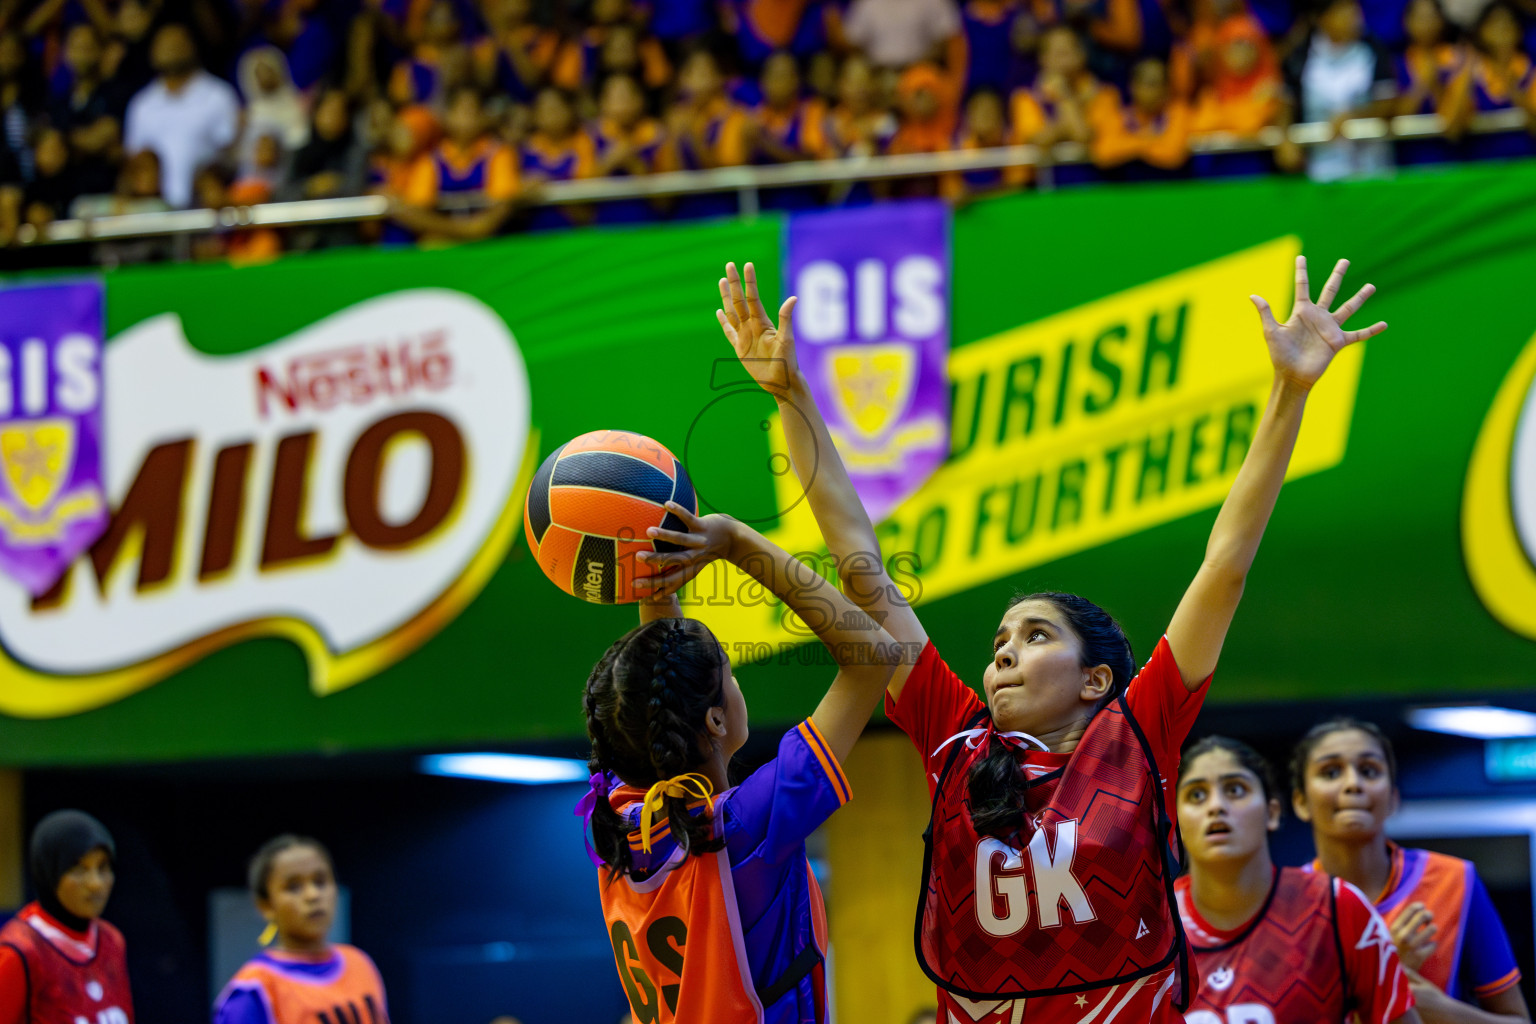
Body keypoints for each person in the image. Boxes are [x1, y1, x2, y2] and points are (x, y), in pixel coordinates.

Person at [713, 254, 1387, 1024]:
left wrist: (1288, 391)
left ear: (1095, 680)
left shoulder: (1138, 734)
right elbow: (861, 561)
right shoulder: (953, 738)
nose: (1002, 652)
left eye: (1035, 637)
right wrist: (791, 394)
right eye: (1001, 639)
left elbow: (1225, 566)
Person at [580, 492, 903, 1021]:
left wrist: (658, 574)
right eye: (731, 674)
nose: (737, 682)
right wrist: (737, 541)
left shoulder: (618, 818)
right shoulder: (747, 823)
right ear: (716, 720)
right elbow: (874, 656)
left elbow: (651, 701)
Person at [1293, 718, 1531, 1024]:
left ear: (1393, 798)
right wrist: (1384, 973)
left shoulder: (1456, 880)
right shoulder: (1285, 903)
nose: (1353, 784)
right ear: (1300, 801)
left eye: (1369, 771)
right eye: (1331, 772)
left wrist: (1444, 1011)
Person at [1176, 736, 1420, 1024]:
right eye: (1196, 795)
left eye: (1235, 790)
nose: (1216, 806)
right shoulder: (1154, 926)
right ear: (1174, 818)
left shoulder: (1337, 906)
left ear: (1273, 812)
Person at [213, 835, 388, 1024]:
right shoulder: (254, 992)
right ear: (266, 905)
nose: (313, 895)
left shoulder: (360, 964)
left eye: (320, 882)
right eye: (294, 887)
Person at [0, 810, 133, 1024]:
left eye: (103, 867)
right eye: (79, 869)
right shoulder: (18, 952)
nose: (96, 884)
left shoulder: (112, 940)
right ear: (49, 872)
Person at [122, 23, 240, 208]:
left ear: (192, 47)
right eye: (164, 44)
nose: (171, 49)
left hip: (205, 208)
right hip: (154, 211)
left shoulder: (218, 95)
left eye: (177, 43)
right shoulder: (142, 104)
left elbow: (231, 152)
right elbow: (134, 159)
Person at [1280, 0, 1398, 181]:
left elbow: (1389, 104)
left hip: (1371, 169)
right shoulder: (1301, 56)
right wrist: (1285, 139)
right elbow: (1286, 102)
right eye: (1343, 12)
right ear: (1322, 19)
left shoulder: (1374, 50)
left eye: (1355, 12)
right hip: (1320, 171)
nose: (1353, 19)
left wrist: (1353, 116)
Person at [1090, 56, 1192, 176]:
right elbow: (1103, 153)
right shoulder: (1120, 116)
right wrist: (1147, 141)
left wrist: (1128, 146)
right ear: (1133, 87)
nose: (1157, 90)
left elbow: (1173, 153)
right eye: (1150, 84)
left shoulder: (1178, 112)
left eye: (1162, 84)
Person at [942, 88, 1027, 202]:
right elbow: (954, 194)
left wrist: (974, 195)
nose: (984, 116)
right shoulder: (955, 148)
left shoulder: (1012, 144)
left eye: (990, 110)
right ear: (968, 117)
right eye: (978, 110)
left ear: (1000, 116)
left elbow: (1017, 189)